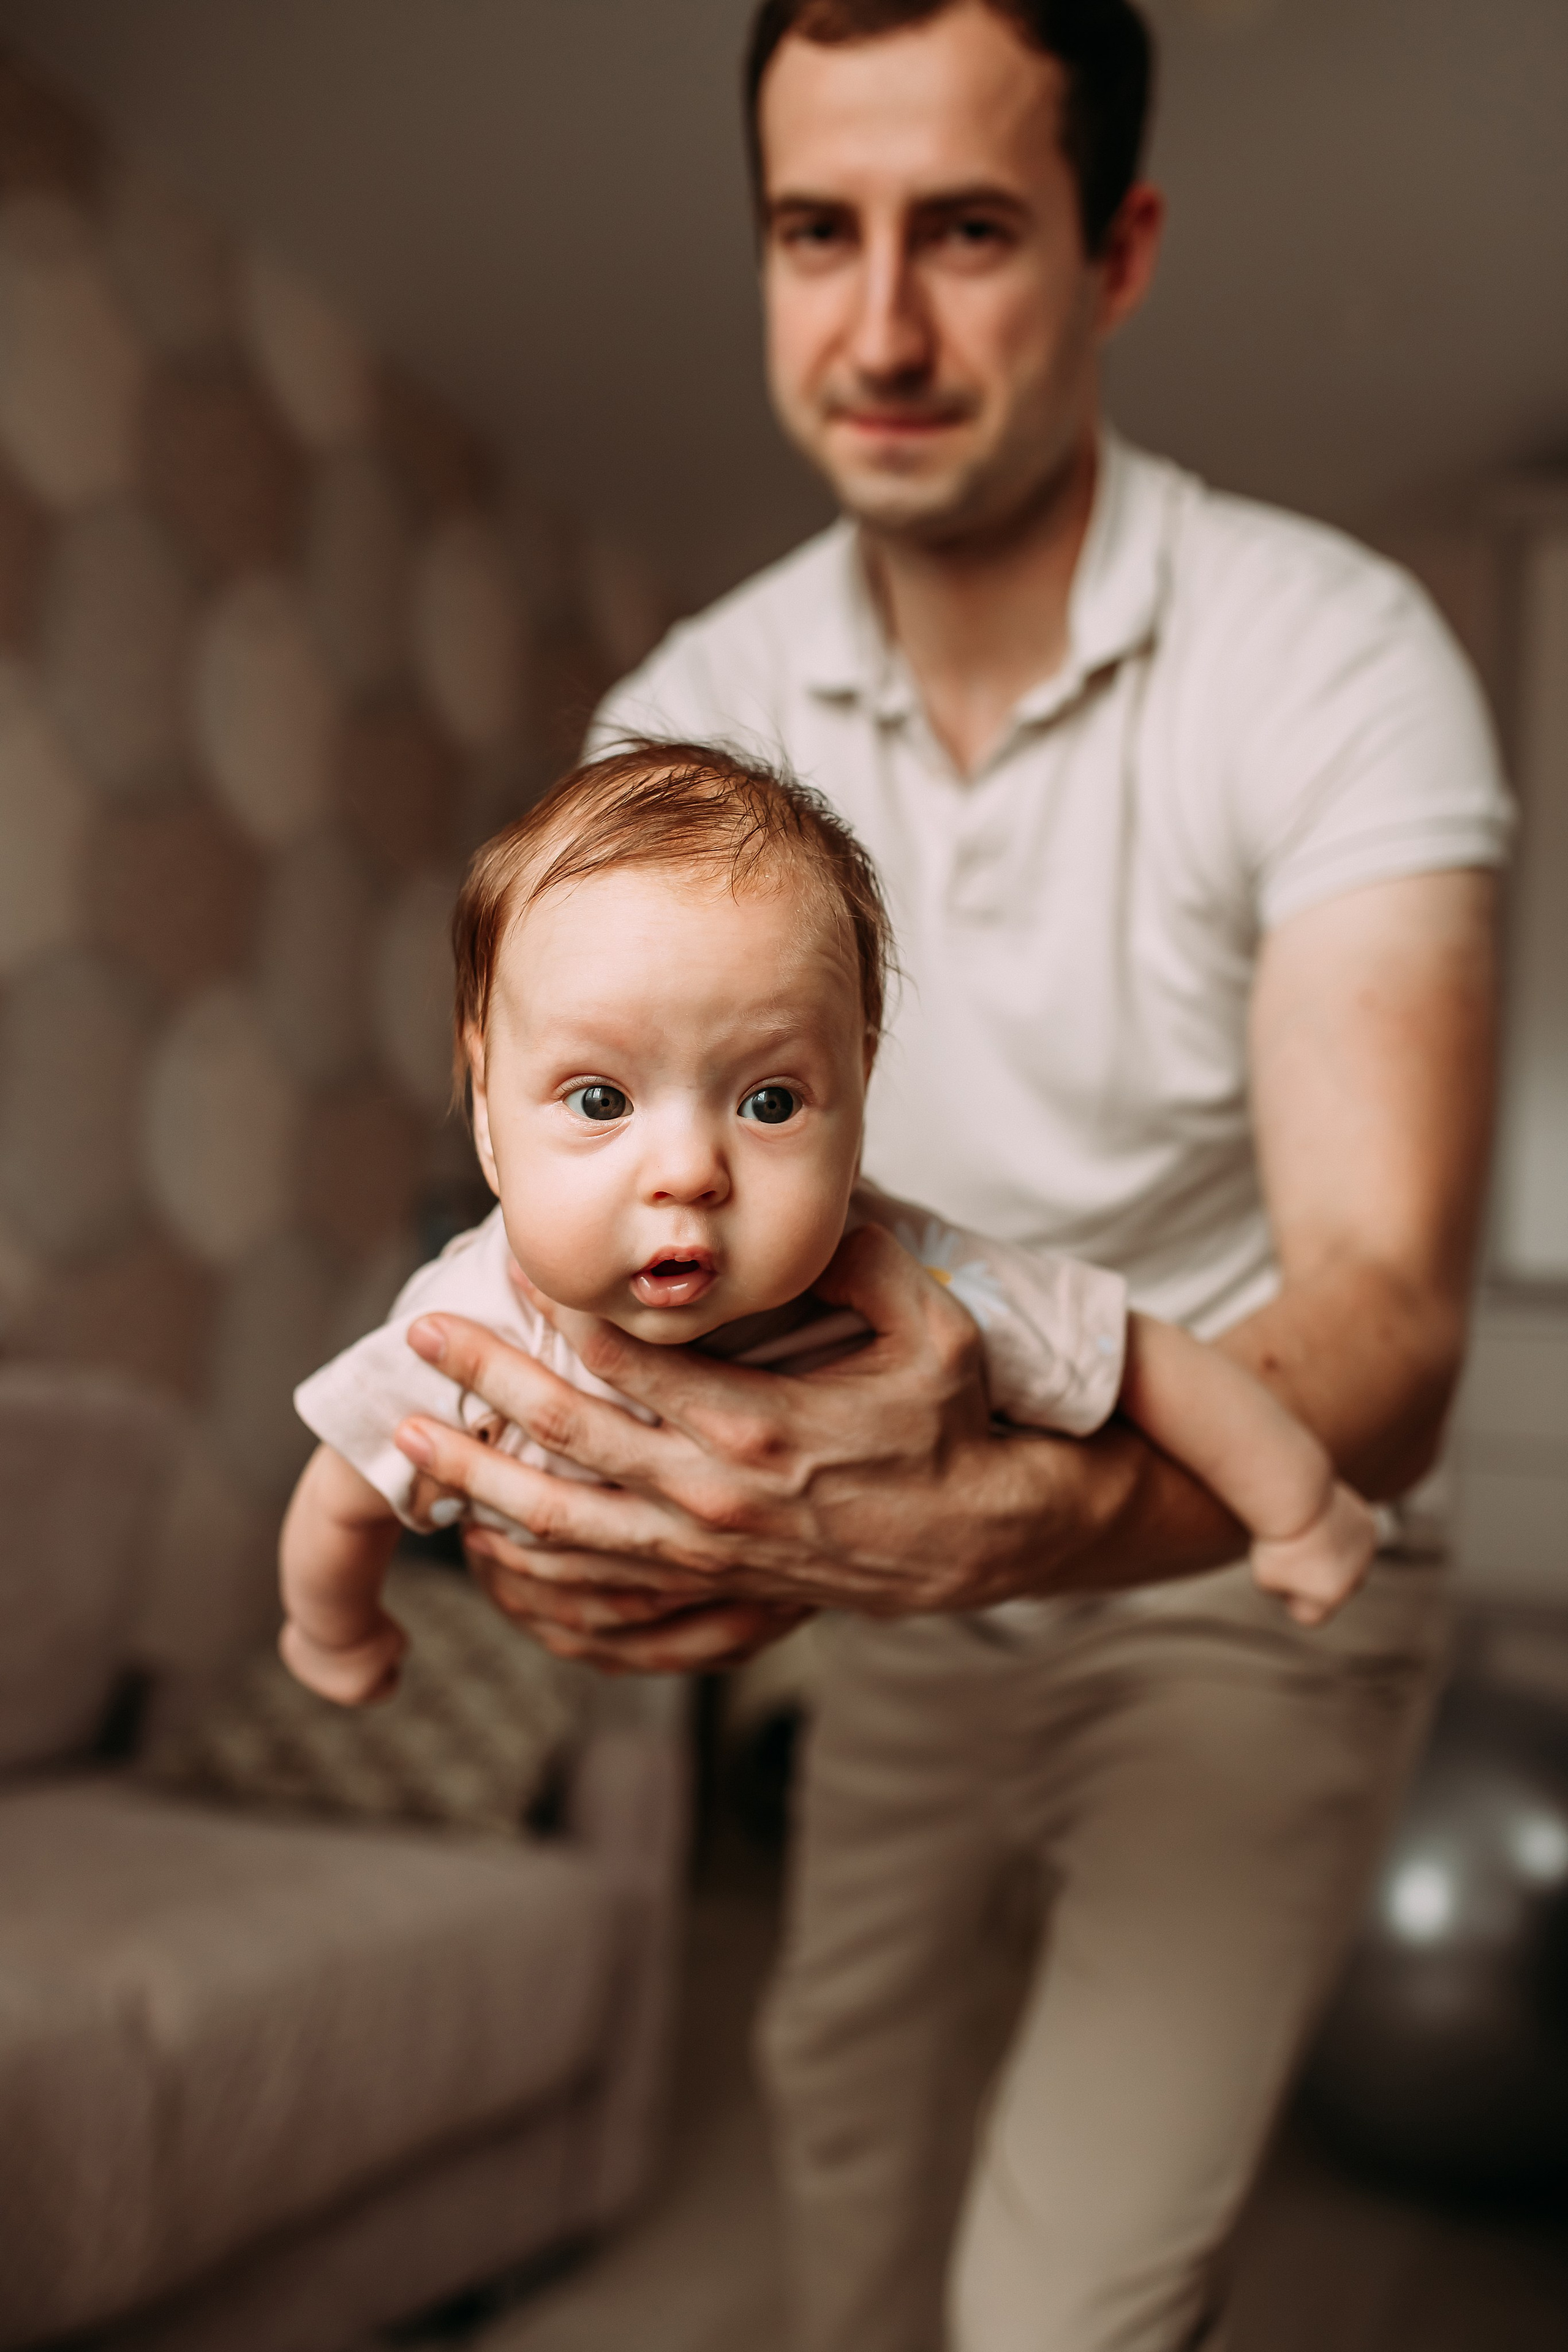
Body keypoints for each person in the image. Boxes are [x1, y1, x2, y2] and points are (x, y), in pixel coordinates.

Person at [385, 3, 1512, 2345]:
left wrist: (994, 1516)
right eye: (819, 232)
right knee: (845, 2133)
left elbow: (1389, 1326)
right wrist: (610, 1499)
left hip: (1235, 1568)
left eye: (967, 232)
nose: (879, 328)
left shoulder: (1333, 658)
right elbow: (609, 1263)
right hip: (889, 1592)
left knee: (1066, 2292)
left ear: (1119, 250)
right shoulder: (689, 722)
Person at [280, 742, 1374, 1708]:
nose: (689, 1173)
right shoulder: (462, 1324)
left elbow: (1139, 1360)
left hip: (977, 1648)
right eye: (601, 1101)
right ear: (484, 1116)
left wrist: (1299, 1505)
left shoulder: (924, 1277)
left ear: (859, 1096)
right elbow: (341, 1499)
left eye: (768, 1103)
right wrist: (334, 1630)